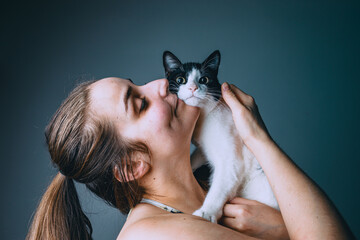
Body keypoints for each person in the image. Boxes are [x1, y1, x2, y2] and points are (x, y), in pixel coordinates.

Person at [26, 77, 354, 240]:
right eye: (139, 103)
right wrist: (257, 138)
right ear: (130, 165)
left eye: (137, 83)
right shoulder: (152, 236)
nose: (159, 84)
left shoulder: (216, 191)